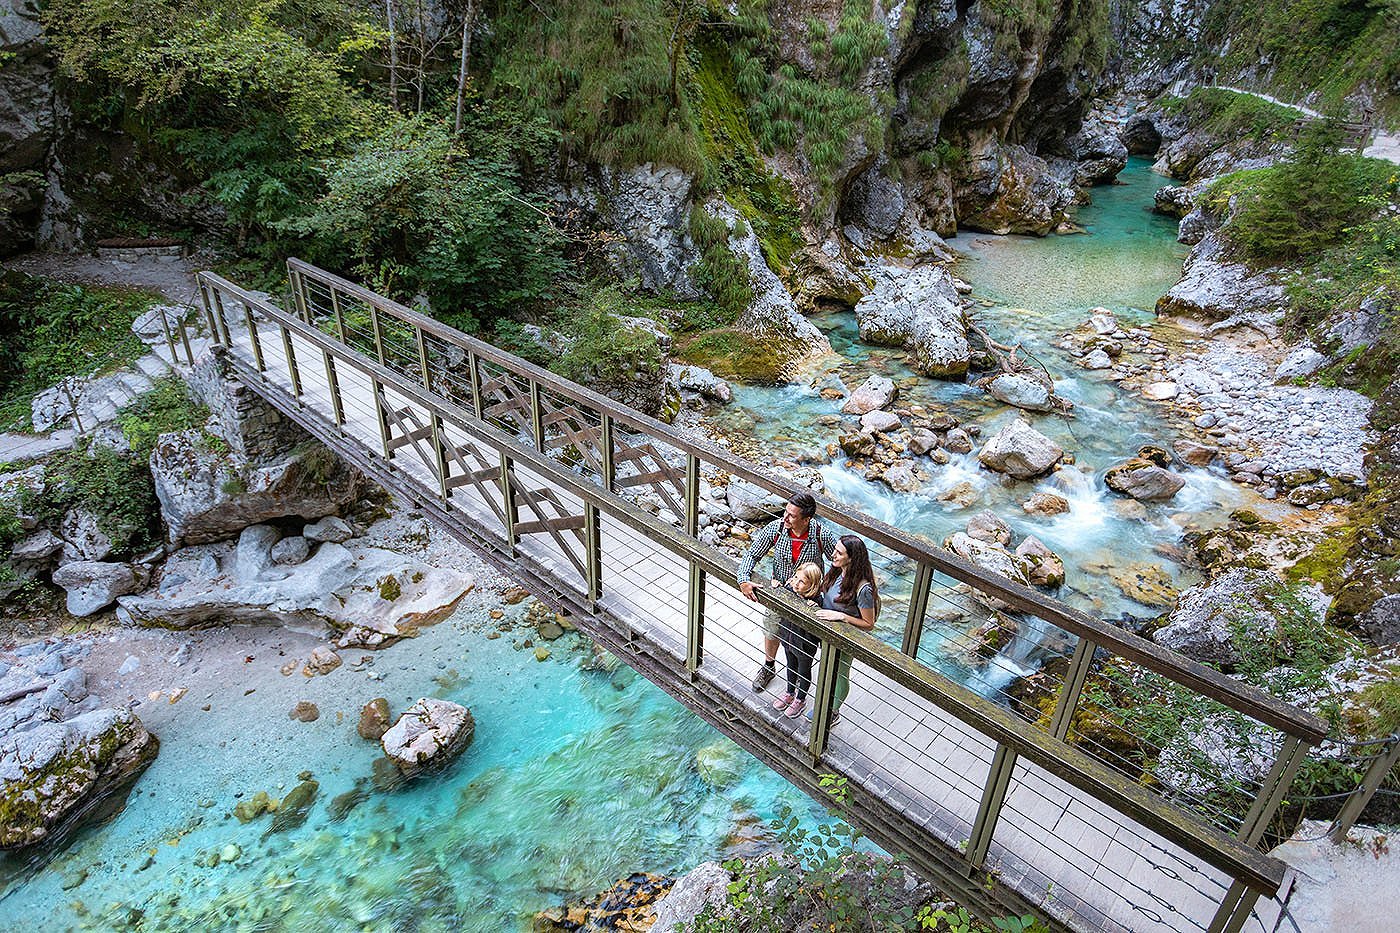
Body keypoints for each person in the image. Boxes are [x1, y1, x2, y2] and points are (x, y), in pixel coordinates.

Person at [737, 491, 838, 691]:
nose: (785, 517)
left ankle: (802, 673)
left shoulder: (821, 534)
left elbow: (838, 564)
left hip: (808, 598)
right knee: (772, 627)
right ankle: (769, 666)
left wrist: (830, 593)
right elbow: (753, 554)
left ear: (807, 519)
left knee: (804, 638)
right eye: (786, 512)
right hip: (781, 592)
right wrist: (743, 579)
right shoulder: (776, 529)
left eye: (792, 515)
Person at [812, 535, 880, 723]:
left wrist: (841, 616)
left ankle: (833, 711)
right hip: (827, 633)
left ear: (852, 558)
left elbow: (868, 623)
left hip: (844, 638)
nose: (833, 555)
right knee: (826, 669)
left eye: (839, 553)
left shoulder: (863, 588)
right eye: (835, 549)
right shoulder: (836, 573)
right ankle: (824, 703)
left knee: (840, 672)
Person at [769, 563, 823, 719]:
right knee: (791, 666)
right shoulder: (790, 589)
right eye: (796, 578)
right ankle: (789, 692)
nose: (796, 584)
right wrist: (776, 585)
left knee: (804, 671)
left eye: (802, 582)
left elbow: (822, 613)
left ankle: (800, 699)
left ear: (812, 585)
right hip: (788, 637)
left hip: (805, 643)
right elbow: (780, 593)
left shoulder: (816, 599)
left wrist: (815, 607)